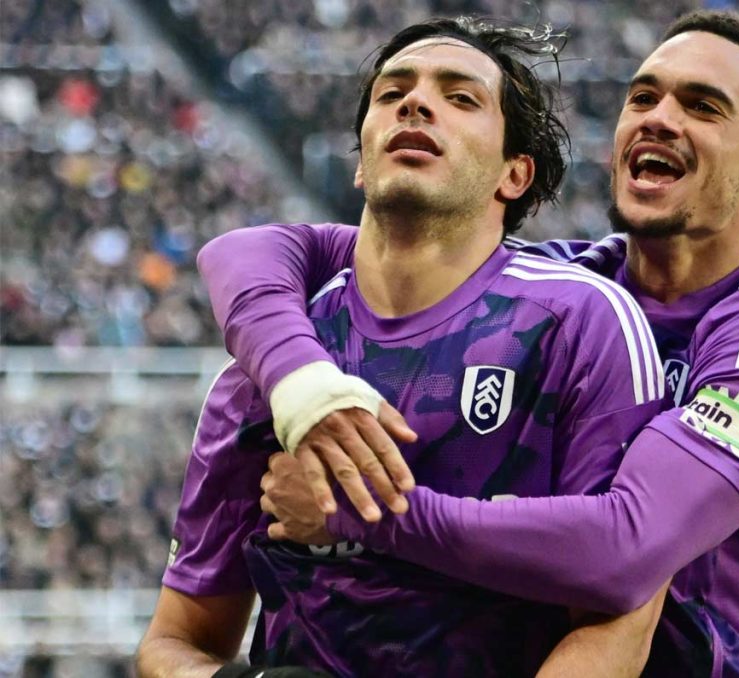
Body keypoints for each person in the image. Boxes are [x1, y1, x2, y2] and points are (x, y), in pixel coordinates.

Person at [198, 10, 739, 676]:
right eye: (643, 97)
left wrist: (357, 511)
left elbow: (628, 546)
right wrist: (302, 382)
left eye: (703, 107)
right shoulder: (561, 291)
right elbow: (256, 252)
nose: (659, 118)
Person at [136, 17, 668, 677]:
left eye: (461, 97)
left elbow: (619, 622)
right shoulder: (271, 366)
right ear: (361, 164)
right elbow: (174, 642)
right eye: (393, 93)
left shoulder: (580, 322)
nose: (415, 103)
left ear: (514, 174)